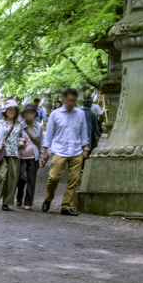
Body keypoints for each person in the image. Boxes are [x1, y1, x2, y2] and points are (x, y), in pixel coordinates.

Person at [41, 87, 91, 216]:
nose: (71, 103)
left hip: (76, 150)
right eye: (69, 100)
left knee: (73, 180)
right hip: (59, 150)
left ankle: (66, 206)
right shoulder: (55, 114)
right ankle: (49, 198)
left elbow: (84, 132)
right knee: (53, 178)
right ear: (64, 99)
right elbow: (49, 133)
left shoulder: (80, 113)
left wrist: (86, 148)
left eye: (74, 100)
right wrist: (45, 150)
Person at [0, 99, 23, 211]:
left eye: (14, 109)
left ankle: (6, 202)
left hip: (14, 154)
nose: (12, 111)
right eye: (9, 109)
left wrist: (22, 142)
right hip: (1, 153)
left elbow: (20, 138)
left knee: (12, 179)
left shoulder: (19, 125)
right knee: (1, 176)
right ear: (5, 111)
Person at [14, 103, 45, 209]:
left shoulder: (39, 126)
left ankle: (28, 202)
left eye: (31, 112)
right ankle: (19, 196)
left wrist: (42, 157)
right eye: (27, 112)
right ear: (24, 114)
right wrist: (19, 141)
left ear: (35, 114)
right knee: (21, 178)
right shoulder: (19, 125)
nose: (29, 114)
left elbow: (41, 143)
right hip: (21, 156)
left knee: (31, 180)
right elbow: (13, 139)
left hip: (33, 157)